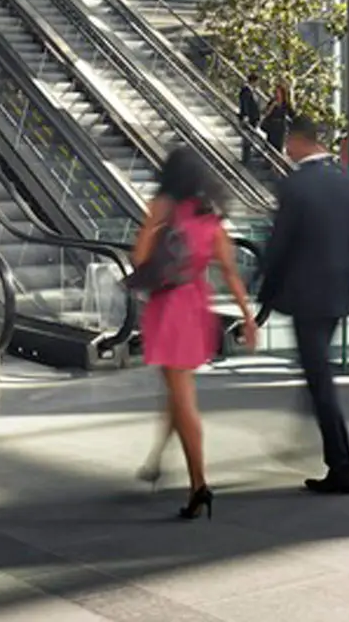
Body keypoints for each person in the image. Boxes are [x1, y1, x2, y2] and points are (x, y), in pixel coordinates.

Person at [132, 146, 257, 518]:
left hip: (168, 308)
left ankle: (199, 484)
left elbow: (139, 259)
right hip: (196, 305)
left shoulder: (163, 209)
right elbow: (231, 272)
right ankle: (158, 457)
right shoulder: (211, 220)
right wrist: (248, 316)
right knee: (176, 388)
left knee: (183, 397)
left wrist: (152, 226)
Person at [257, 114, 349, 494]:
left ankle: (342, 467)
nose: (286, 148)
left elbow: (280, 246)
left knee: (320, 380)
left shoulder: (295, 186)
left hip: (305, 296)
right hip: (336, 294)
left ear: (298, 140)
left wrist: (262, 298)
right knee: (317, 372)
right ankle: (316, 440)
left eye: (289, 141)